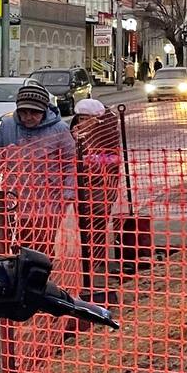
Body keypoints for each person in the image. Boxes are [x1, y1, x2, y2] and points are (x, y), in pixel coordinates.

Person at [0, 80, 75, 260]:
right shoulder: (8, 126)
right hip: (14, 201)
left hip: (47, 203)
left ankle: (41, 274)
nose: (28, 117)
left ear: (44, 110)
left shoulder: (60, 129)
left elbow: (71, 163)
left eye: (34, 112)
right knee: (16, 247)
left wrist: (67, 195)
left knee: (42, 247)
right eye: (23, 112)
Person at [70, 98, 122, 283]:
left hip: (103, 185)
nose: (83, 122)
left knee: (99, 220)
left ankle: (96, 259)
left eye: (87, 118)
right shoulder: (74, 134)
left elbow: (114, 159)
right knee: (84, 221)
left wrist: (91, 161)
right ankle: (89, 257)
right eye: (81, 118)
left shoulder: (107, 134)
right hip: (81, 186)